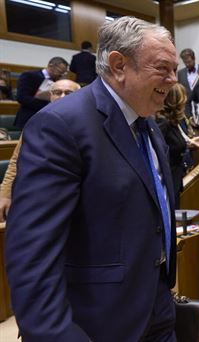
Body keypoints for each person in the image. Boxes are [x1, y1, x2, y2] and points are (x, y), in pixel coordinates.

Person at [5, 17, 180, 341]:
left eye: (175, 69)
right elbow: (32, 257)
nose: (173, 80)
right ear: (118, 65)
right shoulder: (60, 126)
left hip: (155, 308)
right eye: (163, 68)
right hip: (99, 321)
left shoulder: (148, 123)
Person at [0, 79, 81, 222]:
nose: (62, 97)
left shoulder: (88, 124)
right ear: (50, 96)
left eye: (68, 93)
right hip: (37, 196)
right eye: (57, 92)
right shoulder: (36, 122)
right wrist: (5, 195)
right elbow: (16, 161)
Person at [156, 83, 199, 208]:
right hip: (167, 179)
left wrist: (188, 143)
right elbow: (161, 151)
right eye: (183, 98)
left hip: (175, 177)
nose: (185, 101)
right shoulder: (163, 123)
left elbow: (173, 144)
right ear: (175, 100)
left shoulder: (173, 121)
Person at [13, 56, 68, 129]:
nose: (61, 75)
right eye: (60, 72)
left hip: (48, 121)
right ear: (50, 66)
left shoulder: (58, 82)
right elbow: (22, 98)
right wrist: (48, 106)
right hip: (29, 118)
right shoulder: (29, 75)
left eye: (63, 73)